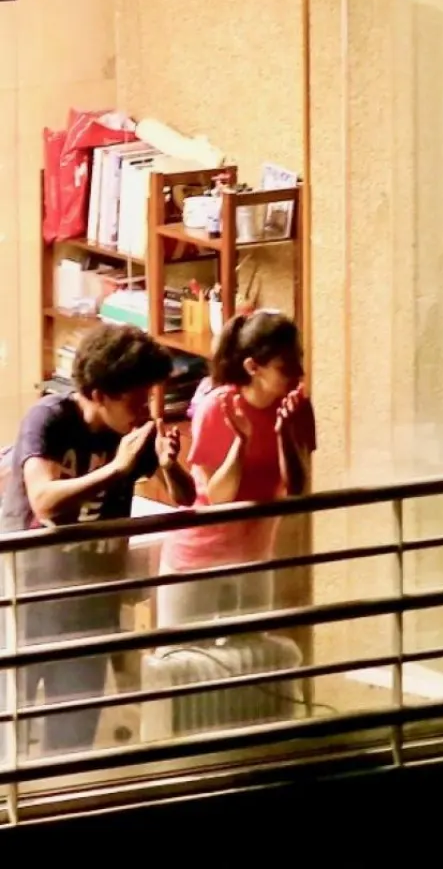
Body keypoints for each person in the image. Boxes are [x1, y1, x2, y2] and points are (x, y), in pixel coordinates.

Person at [0, 324, 195, 755]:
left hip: (90, 609)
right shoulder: (49, 419)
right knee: (9, 736)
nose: (143, 411)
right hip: (26, 604)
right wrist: (116, 469)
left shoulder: (131, 433)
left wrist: (169, 466)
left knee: (73, 740)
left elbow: (186, 497)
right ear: (99, 393)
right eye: (135, 400)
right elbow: (44, 501)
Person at [159, 310, 315, 627]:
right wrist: (241, 443)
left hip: (253, 556)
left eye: (299, 359)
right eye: (286, 366)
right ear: (252, 367)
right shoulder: (218, 408)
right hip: (197, 557)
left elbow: (297, 491)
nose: (298, 372)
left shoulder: (296, 407)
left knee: (253, 652)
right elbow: (218, 499)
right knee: (184, 653)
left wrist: (285, 435)